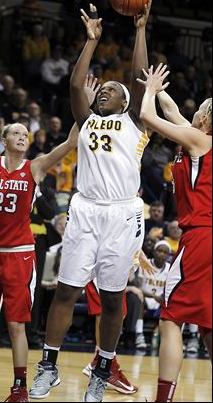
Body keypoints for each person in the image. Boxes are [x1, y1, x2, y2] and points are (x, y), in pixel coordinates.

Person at [30, 0, 152, 403]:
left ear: (126, 103)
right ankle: (48, 365)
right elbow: (73, 85)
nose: (106, 93)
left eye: (114, 92)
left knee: (115, 297)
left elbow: (138, 76)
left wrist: (138, 30)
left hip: (121, 214)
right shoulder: (86, 121)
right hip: (85, 208)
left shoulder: (134, 122)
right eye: (104, 90)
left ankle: (103, 368)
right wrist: (91, 41)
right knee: (66, 290)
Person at [0, 64, 79, 402]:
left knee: (16, 325)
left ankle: (19, 389)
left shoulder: (35, 167)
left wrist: (82, 103)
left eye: (26, 133)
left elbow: (69, 143)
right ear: (5, 138)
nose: (23, 136)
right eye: (16, 132)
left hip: (18, 255)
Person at [137, 63, 212, 402]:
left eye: (199, 109)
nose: (192, 111)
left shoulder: (198, 139)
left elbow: (150, 117)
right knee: (209, 326)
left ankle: (163, 398)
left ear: (205, 119)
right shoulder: (196, 137)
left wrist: (149, 93)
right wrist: (156, 84)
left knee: (171, 318)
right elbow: (172, 111)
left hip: (201, 237)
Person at [83, 250, 154, 395]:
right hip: (102, 258)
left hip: (120, 257)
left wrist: (138, 253)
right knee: (105, 312)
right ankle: (105, 364)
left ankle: (100, 362)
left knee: (119, 313)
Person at [135, 240, 171, 349]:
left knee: (171, 304)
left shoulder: (169, 268)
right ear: (154, 252)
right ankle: (139, 334)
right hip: (145, 298)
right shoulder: (144, 263)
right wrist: (153, 296)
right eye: (160, 251)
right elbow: (139, 287)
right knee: (138, 299)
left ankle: (161, 335)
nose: (162, 254)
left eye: (165, 252)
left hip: (160, 301)